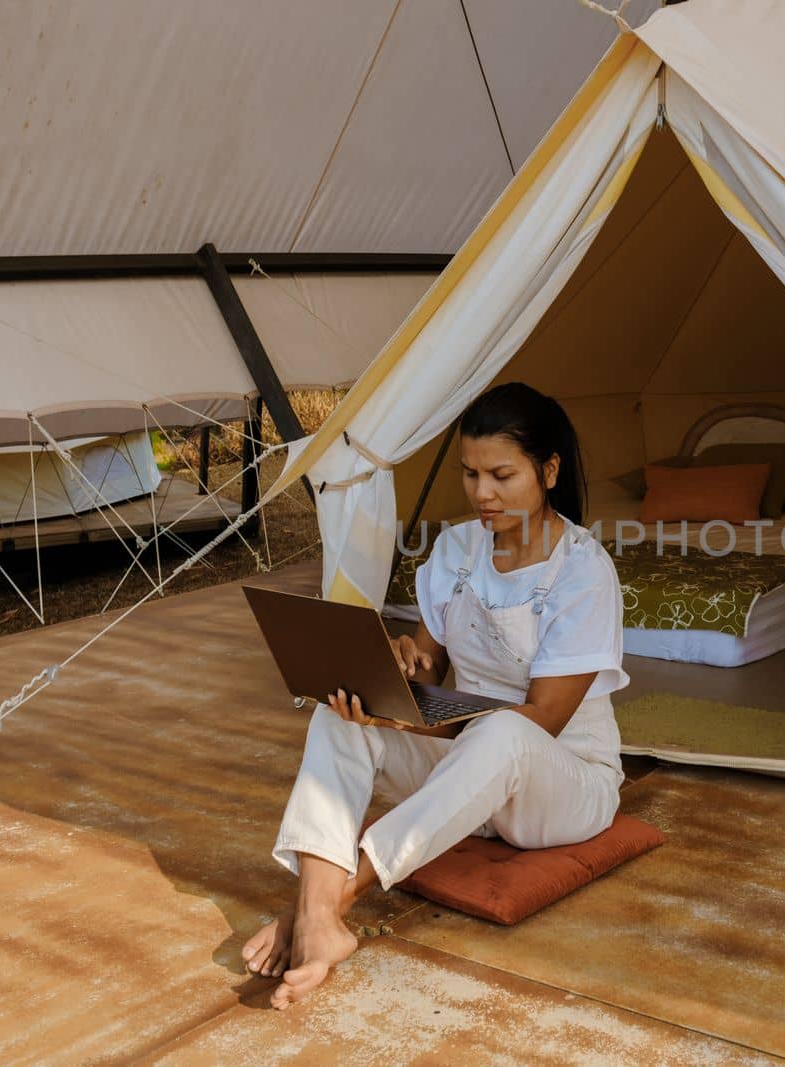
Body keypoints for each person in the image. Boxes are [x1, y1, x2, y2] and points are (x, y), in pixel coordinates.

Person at [243, 381, 629, 1010]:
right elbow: (430, 663)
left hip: (562, 786)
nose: (482, 493)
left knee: (505, 733)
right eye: (471, 473)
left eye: (502, 474)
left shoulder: (583, 570)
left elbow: (544, 721)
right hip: (469, 773)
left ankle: (326, 905)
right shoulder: (455, 549)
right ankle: (318, 914)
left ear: (549, 470)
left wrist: (427, 725)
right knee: (342, 714)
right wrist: (400, 668)